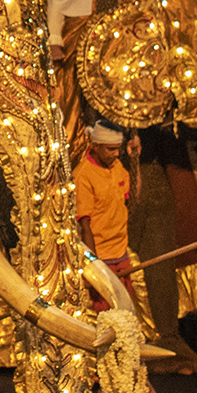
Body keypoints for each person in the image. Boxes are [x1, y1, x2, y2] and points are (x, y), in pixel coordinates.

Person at [75, 122, 135, 305]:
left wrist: (135, 160)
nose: (116, 154)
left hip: (121, 254)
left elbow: (129, 201)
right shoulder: (83, 175)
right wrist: (95, 266)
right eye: (111, 149)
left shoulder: (117, 167)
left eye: (118, 149)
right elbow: (84, 225)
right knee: (106, 315)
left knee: (126, 312)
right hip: (101, 258)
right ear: (96, 146)